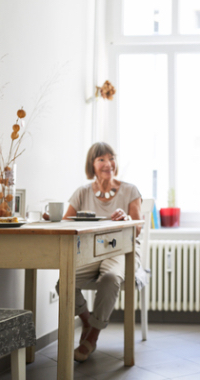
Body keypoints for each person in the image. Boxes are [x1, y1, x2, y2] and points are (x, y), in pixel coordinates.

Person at [58, 142, 142, 362]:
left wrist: (127, 219)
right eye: (101, 159)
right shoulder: (83, 192)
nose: (108, 163)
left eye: (111, 158)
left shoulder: (129, 190)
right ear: (92, 164)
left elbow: (139, 227)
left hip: (122, 251)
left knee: (110, 279)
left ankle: (92, 337)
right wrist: (54, 219)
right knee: (63, 283)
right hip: (90, 252)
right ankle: (87, 321)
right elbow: (66, 223)